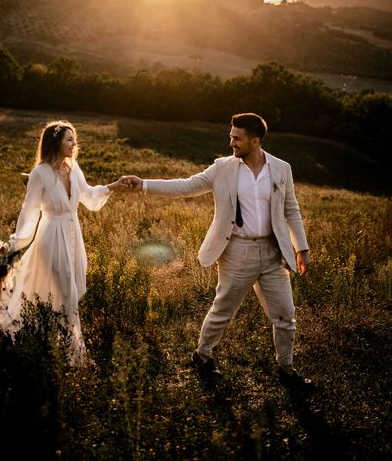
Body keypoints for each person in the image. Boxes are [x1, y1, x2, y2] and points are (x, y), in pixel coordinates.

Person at [121, 112, 312, 387]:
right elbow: (186, 186)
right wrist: (144, 185)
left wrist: (301, 248)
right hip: (237, 250)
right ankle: (202, 355)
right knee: (223, 310)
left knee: (285, 316)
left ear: (255, 141)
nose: (231, 143)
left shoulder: (281, 169)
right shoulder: (222, 168)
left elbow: (291, 209)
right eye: (230, 137)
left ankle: (287, 369)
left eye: (237, 138)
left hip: (273, 253)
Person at [0, 120, 124, 365]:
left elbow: (88, 195)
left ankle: (44, 342)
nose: (74, 144)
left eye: (74, 139)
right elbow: (29, 212)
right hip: (51, 238)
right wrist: (13, 246)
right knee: (66, 293)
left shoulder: (73, 168)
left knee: (63, 292)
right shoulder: (40, 173)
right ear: (56, 142)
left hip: (73, 234)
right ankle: (73, 356)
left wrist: (113, 186)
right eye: (69, 139)